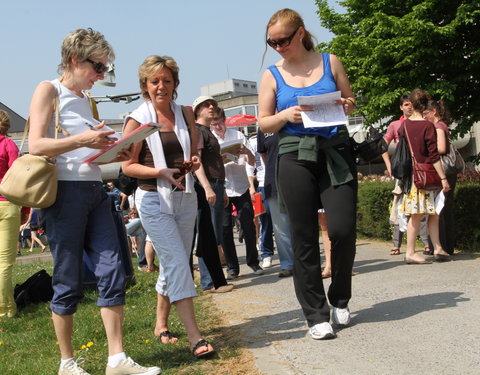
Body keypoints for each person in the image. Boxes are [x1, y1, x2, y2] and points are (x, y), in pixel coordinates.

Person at [28, 28, 160, 375]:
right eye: (98, 67)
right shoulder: (48, 90)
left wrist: (114, 147)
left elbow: (90, 153)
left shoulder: (88, 99)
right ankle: (66, 362)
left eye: (104, 69)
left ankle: (116, 359)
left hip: (95, 191)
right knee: (68, 276)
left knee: (113, 268)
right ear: (75, 60)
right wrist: (85, 138)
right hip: (63, 193)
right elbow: (36, 145)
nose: (101, 75)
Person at [258, 8, 357, 340]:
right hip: (293, 156)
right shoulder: (272, 75)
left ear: (300, 33)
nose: (278, 46)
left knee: (342, 229)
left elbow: (351, 100)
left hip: (335, 152)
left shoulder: (331, 61)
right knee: (303, 236)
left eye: (283, 40)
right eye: (272, 42)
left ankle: (340, 297)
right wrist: (286, 114)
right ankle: (315, 313)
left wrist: (346, 104)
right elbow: (264, 122)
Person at [121, 55, 216, 357]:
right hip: (152, 199)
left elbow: (194, 149)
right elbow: (127, 167)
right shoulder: (138, 119)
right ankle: (195, 337)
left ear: (175, 83)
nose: (161, 86)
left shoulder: (186, 114)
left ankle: (161, 323)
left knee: (174, 261)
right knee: (177, 263)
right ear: (145, 86)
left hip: (185, 195)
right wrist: (158, 172)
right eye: (155, 81)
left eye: (167, 80)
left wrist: (194, 162)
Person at [398, 89, 451, 264]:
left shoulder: (404, 125)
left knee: (429, 212)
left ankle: (438, 248)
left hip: (413, 175)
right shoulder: (428, 126)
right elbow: (433, 155)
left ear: (411, 104)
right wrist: (443, 178)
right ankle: (411, 252)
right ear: (425, 104)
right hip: (426, 174)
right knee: (420, 213)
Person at [211, 108, 264, 278]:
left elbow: (252, 161)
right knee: (225, 228)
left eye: (219, 122)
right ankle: (232, 267)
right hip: (223, 187)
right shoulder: (210, 139)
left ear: (224, 120)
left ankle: (253, 262)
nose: (218, 127)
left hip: (241, 186)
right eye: (214, 124)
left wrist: (246, 152)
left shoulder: (238, 136)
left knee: (248, 225)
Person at [191, 95, 234, 292]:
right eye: (207, 105)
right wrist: (208, 187)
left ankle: (211, 280)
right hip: (207, 186)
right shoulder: (199, 131)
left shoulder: (206, 131)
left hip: (216, 184)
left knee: (213, 232)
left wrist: (221, 188)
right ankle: (208, 282)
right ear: (197, 110)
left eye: (213, 105)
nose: (211, 107)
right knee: (208, 234)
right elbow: (196, 161)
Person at [382, 95, 431, 255]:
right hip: (403, 171)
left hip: (418, 169)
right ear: (401, 107)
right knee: (399, 205)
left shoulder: (422, 122)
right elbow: (383, 145)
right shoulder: (396, 125)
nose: (409, 107)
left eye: (411, 104)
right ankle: (396, 244)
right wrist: (389, 165)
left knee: (421, 206)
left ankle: (426, 243)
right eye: (406, 104)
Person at [256, 130, 295, 278]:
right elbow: (264, 155)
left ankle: (305, 261)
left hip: (297, 177)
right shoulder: (264, 127)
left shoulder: (294, 116)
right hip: (273, 180)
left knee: (301, 223)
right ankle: (287, 264)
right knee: (280, 227)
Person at [423, 99, 456, 255]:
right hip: (449, 172)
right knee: (444, 209)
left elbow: (441, 148)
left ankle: (441, 246)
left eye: (426, 113)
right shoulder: (442, 125)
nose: (424, 117)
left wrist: (428, 149)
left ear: (434, 111)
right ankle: (446, 246)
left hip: (444, 171)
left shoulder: (438, 126)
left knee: (439, 209)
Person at [0, 110, 22, 319]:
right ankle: (5, 310)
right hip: (7, 204)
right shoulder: (8, 145)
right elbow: (19, 180)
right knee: (4, 262)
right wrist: (24, 210)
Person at [249, 134, 275, 269]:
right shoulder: (254, 140)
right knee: (265, 220)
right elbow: (249, 164)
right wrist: (251, 186)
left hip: (280, 180)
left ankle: (290, 253)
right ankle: (266, 254)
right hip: (262, 184)